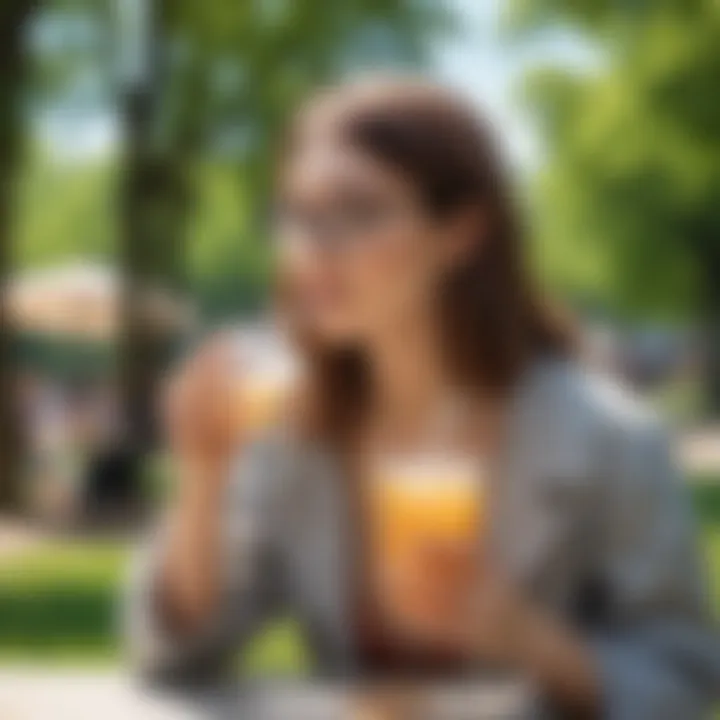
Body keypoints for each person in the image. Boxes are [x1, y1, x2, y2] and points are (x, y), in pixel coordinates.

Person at [125, 78, 719, 718]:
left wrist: (530, 642)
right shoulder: (288, 427)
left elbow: (684, 678)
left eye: (356, 213)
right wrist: (204, 479)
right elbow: (181, 656)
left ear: (460, 232)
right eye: (296, 216)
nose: (311, 249)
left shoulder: (609, 439)